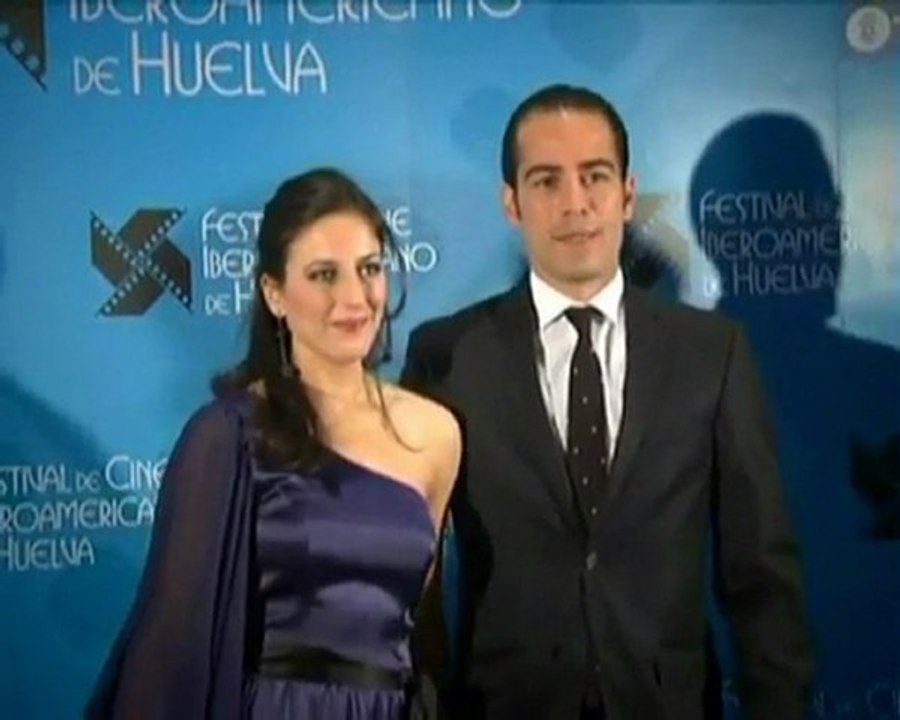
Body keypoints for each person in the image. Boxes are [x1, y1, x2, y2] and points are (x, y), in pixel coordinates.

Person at [401, 85, 813, 719]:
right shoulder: (447, 356)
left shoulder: (713, 353)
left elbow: (760, 577)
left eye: (594, 176)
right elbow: (407, 572)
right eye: (545, 181)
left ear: (627, 193)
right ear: (512, 203)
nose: (575, 204)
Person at [87, 167, 461, 719]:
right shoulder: (228, 435)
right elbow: (172, 645)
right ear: (275, 294)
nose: (354, 297)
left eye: (369, 269)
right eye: (323, 275)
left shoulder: (436, 434)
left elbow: (422, 626)